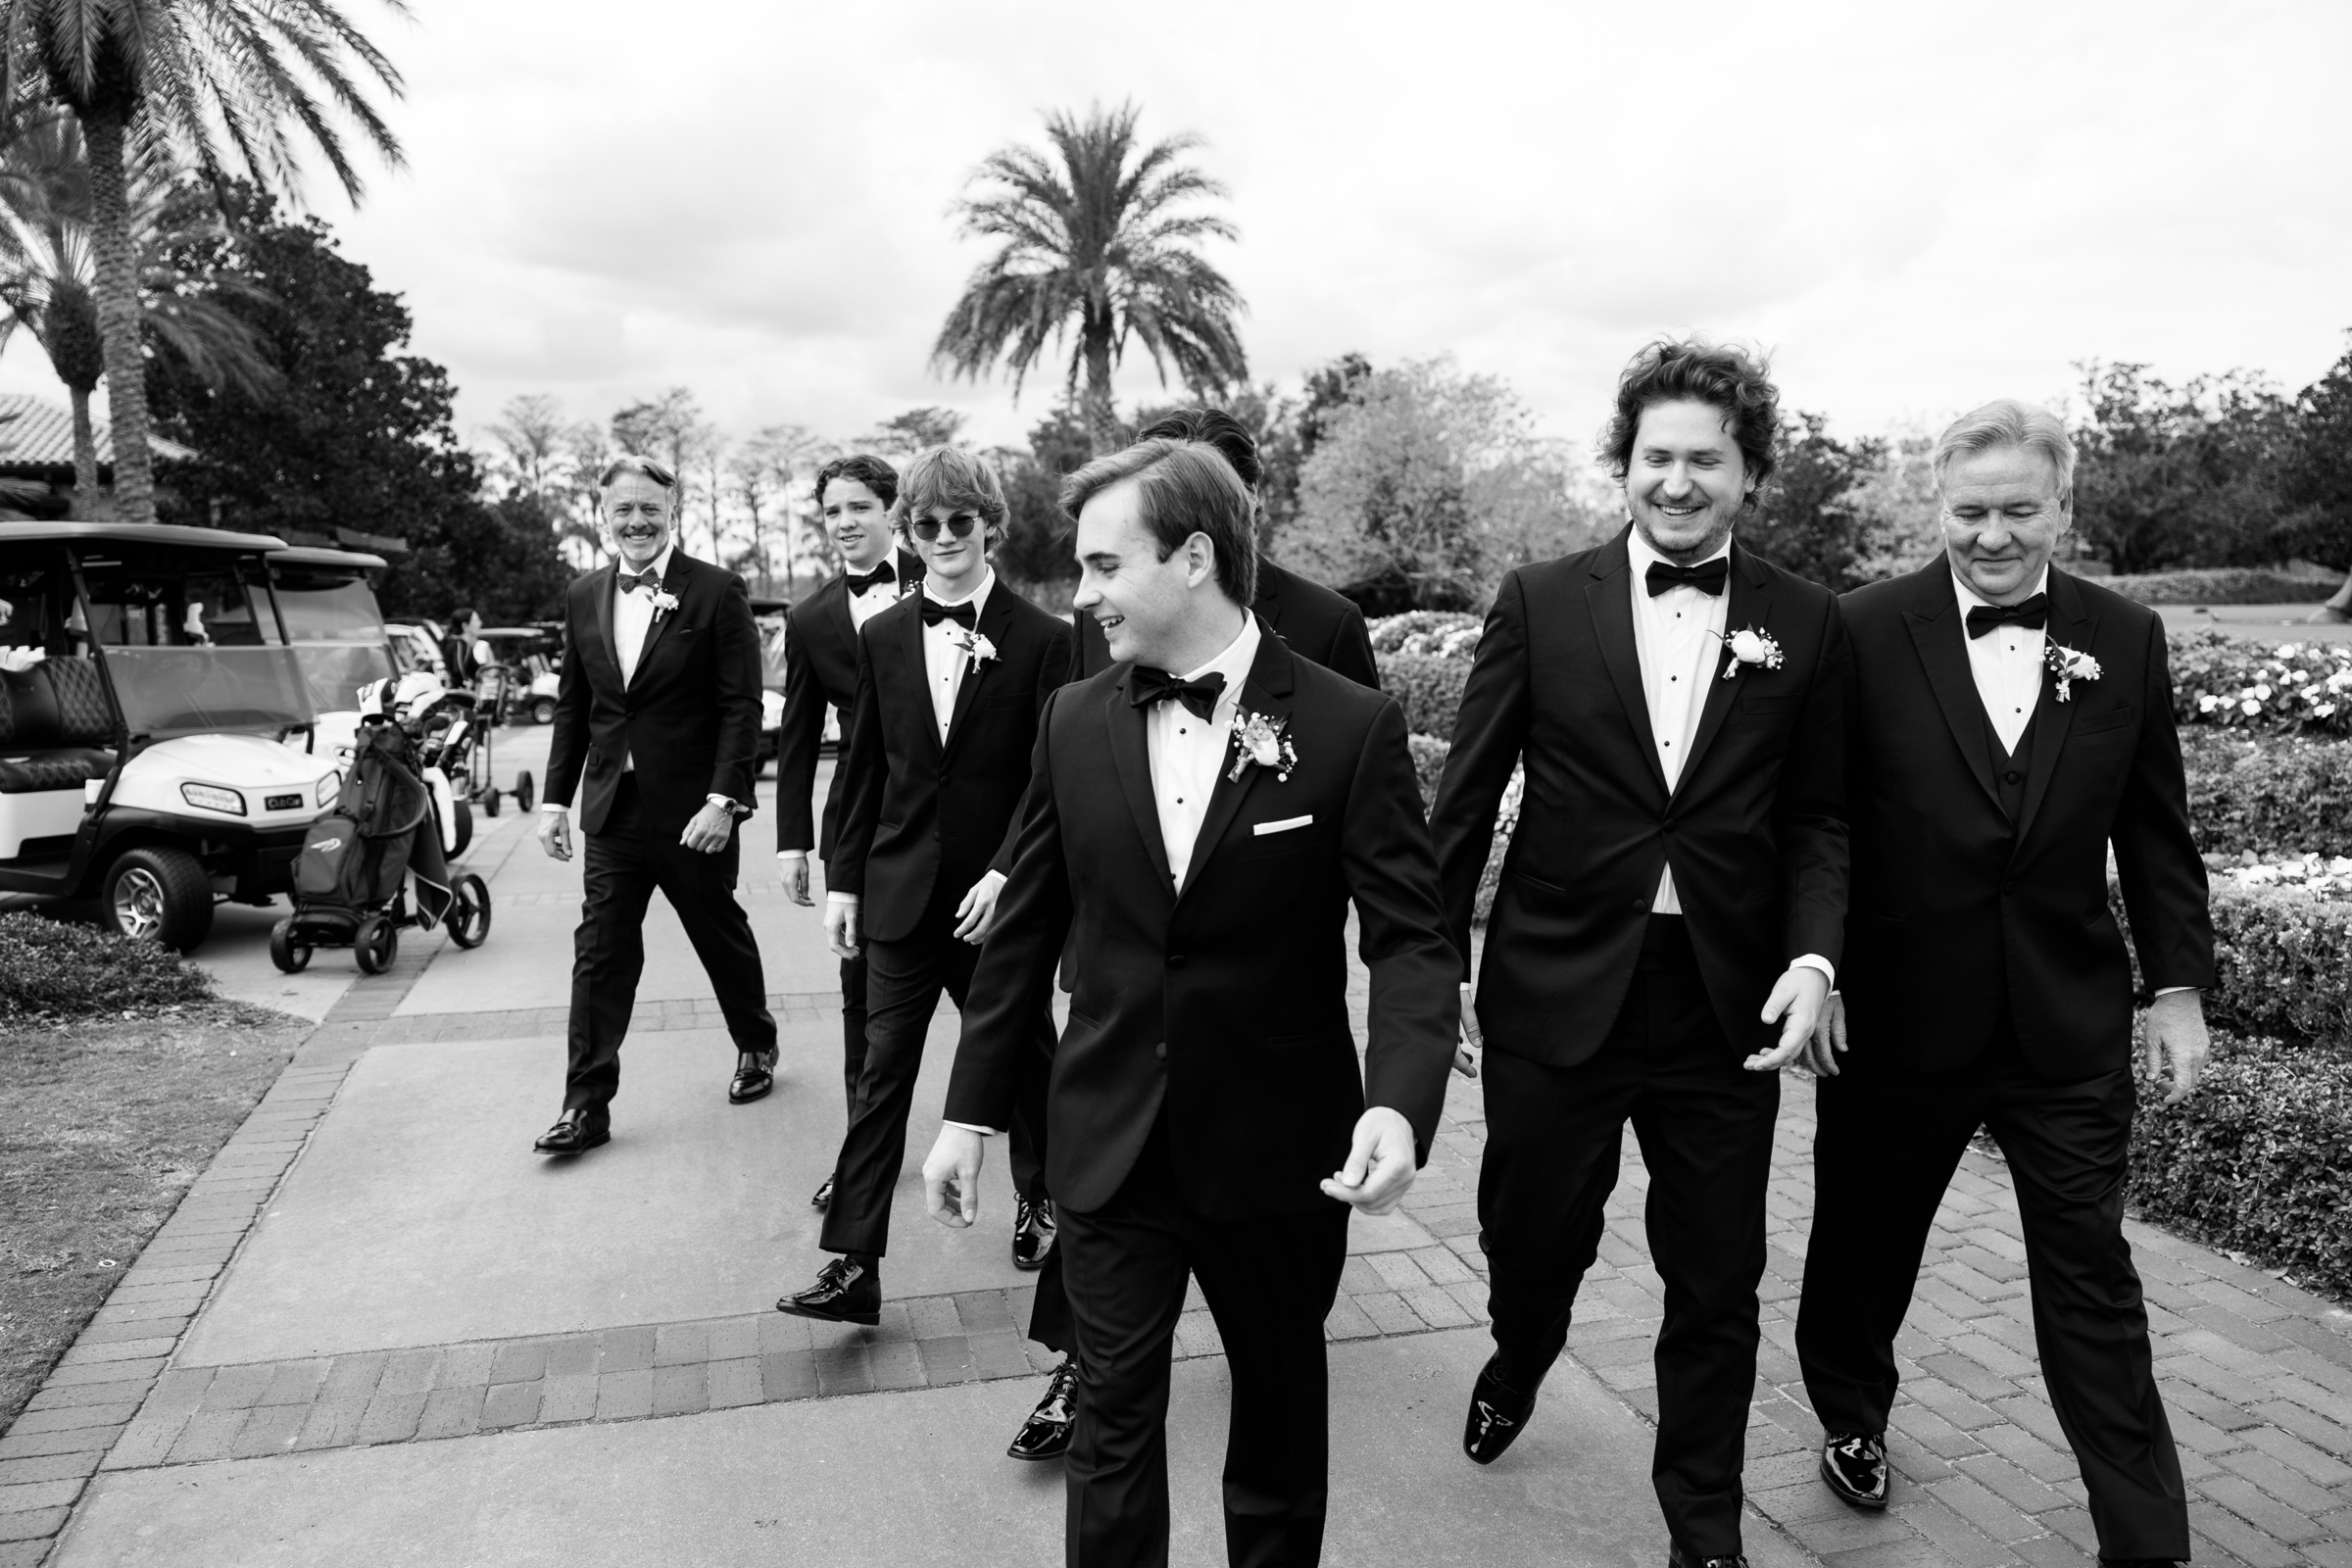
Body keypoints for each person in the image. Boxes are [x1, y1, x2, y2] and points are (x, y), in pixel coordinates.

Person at [920, 438, 1458, 1568]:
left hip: (1280, 1151)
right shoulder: (1072, 721)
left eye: (1107, 565)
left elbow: (1411, 940)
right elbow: (1022, 934)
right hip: (1110, 1141)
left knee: (1274, 1414)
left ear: (1196, 557)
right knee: (1111, 1421)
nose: (1086, 594)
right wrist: (969, 1115)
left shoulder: (1349, 726)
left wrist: (1400, 1105)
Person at [1426, 338, 1848, 1568]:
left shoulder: (1804, 621)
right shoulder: (1539, 599)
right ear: (1623, 466)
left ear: (1748, 472)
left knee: (1717, 1274)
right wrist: (1433, 956)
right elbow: (1468, 792)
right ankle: (1521, 1346)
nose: (1677, 480)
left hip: (1728, 1003)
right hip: (1557, 985)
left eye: (1704, 460)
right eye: (1656, 456)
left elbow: (1822, 816)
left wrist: (1816, 961)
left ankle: (1703, 1529)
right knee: (1534, 1232)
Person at [1793, 400, 2210, 1565]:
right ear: (1940, 506)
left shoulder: (2125, 635)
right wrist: (1818, 963)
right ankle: (1852, 1413)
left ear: (2063, 506)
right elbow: (1820, 818)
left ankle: (2144, 1536)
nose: (1991, 535)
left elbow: (2155, 828)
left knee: (2092, 1276)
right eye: (1970, 511)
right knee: (1865, 1247)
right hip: (1898, 1017)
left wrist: (2176, 986)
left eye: (2019, 510)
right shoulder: (1860, 629)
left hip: (2064, 1026)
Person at [776, 446, 1068, 1323]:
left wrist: (1009, 870)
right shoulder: (880, 636)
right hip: (900, 893)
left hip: (996, 901)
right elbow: (863, 768)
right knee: (880, 1078)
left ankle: (1040, 1200)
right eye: (928, 524)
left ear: (992, 529)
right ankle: (853, 1266)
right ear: (910, 531)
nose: (943, 538)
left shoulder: (1051, 640)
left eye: (960, 523)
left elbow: (1051, 778)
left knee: (1026, 1065)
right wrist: (843, 883)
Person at [531, 456, 779, 1153]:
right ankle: (585, 1107)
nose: (636, 521)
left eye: (649, 508)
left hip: (696, 811)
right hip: (614, 809)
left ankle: (756, 1043)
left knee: (716, 930)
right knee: (601, 952)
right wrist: (555, 800)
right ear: (602, 514)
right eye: (623, 510)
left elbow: (741, 707)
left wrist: (725, 801)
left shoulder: (716, 591)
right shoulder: (583, 595)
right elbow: (575, 708)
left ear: (672, 510)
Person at [774, 453, 923, 1211]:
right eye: (832, 512)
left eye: (858, 507)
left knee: (1003, 999)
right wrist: (793, 840)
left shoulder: (946, 583)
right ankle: (862, 1158)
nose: (844, 524)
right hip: (860, 831)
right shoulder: (810, 617)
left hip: (952, 818)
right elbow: (797, 736)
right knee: (860, 999)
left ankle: (1042, 1181)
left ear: (893, 511)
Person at [1071, 408, 1379, 690]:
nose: (1191, 514)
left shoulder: (1329, 624)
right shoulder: (1094, 623)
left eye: (1213, 490)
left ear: (1251, 493)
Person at [443, 607, 483, 688]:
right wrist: (467, 686)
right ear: (465, 626)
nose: (480, 623)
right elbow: (458, 671)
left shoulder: (457, 643)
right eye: (475, 620)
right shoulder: (460, 645)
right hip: (459, 697)